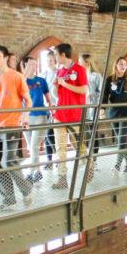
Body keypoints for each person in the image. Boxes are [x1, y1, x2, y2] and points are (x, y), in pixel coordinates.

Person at [0, 45, 34, 211]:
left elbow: (28, 101)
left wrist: (24, 117)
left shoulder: (17, 77)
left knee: (8, 161)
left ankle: (26, 189)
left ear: (5, 57)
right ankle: (9, 199)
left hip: (11, 125)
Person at [49, 42, 88, 189]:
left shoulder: (80, 69)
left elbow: (84, 90)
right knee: (60, 148)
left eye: (55, 55)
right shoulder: (59, 71)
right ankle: (62, 178)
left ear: (63, 55)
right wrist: (55, 86)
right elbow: (56, 94)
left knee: (78, 146)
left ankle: (88, 167)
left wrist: (65, 84)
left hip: (74, 114)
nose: (54, 58)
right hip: (60, 114)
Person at [103, 57, 127, 173]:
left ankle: (117, 165)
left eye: (125, 64)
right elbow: (104, 95)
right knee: (122, 141)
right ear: (116, 66)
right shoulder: (110, 79)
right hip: (114, 113)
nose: (123, 66)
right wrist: (102, 108)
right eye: (120, 64)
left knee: (121, 138)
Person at [21, 56, 51, 184]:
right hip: (26, 118)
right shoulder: (21, 81)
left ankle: (31, 172)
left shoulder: (42, 81)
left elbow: (49, 98)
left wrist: (52, 110)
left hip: (40, 116)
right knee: (31, 147)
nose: (34, 66)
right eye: (31, 64)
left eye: (35, 64)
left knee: (34, 146)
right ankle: (37, 172)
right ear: (25, 66)